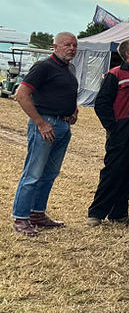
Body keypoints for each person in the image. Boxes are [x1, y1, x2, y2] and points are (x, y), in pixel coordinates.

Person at [10, 32, 79, 236]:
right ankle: (21, 217)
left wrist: (72, 111)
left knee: (49, 174)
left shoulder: (70, 69)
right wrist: (40, 123)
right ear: (54, 47)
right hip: (46, 124)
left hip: (63, 126)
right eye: (67, 45)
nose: (72, 48)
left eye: (75, 45)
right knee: (33, 173)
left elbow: (66, 93)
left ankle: (37, 214)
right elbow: (21, 95)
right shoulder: (43, 67)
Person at [86, 39, 129, 227]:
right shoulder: (115, 75)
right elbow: (102, 104)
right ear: (128, 54)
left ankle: (119, 213)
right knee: (113, 172)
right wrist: (113, 128)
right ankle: (96, 213)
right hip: (122, 130)